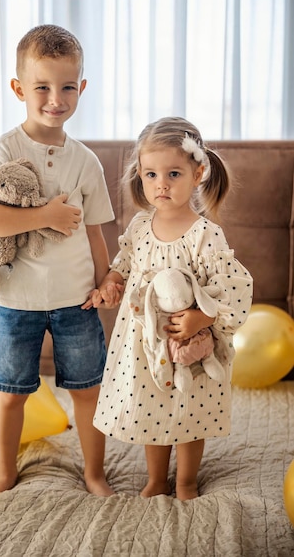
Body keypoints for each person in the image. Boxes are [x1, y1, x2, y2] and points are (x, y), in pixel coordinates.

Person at [0, 24, 115, 497]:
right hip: (15, 301)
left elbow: (95, 231)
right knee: (10, 395)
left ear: (81, 88)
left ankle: (94, 474)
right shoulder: (5, 150)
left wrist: (108, 278)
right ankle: (5, 473)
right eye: (42, 87)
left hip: (77, 302)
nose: (56, 98)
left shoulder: (86, 162)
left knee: (87, 392)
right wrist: (44, 214)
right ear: (19, 89)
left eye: (68, 86)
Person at [87, 116, 253, 501]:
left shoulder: (205, 235)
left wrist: (204, 315)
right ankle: (156, 479)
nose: (161, 184)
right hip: (146, 344)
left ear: (198, 174)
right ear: (140, 177)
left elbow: (234, 285)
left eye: (173, 173)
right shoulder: (141, 226)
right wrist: (111, 281)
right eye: (151, 174)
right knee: (153, 407)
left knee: (189, 411)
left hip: (189, 344)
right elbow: (124, 264)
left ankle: (186, 481)